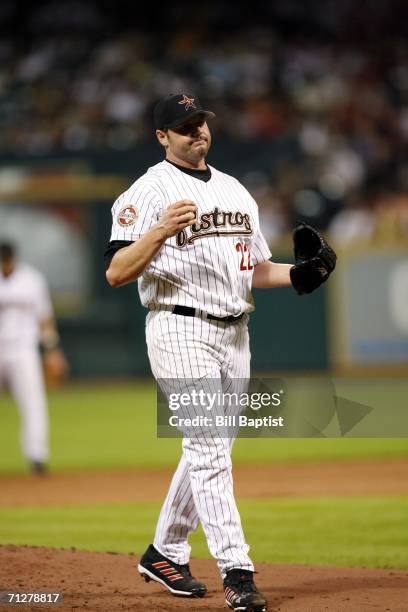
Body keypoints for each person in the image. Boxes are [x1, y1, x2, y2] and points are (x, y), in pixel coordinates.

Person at [105, 93, 335, 612]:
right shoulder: (146, 192)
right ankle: (237, 571)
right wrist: (160, 229)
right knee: (209, 450)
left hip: (236, 334)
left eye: (201, 123)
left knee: (211, 449)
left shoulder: (234, 189)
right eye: (184, 127)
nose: (198, 133)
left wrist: (303, 274)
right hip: (179, 328)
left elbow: (255, 269)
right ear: (162, 136)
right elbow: (118, 271)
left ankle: (164, 552)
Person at [0, 242, 68, 474]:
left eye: (7, 259)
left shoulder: (31, 279)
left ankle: (37, 457)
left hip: (23, 349)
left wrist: (52, 349)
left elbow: (44, 318)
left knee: (33, 403)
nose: (5, 264)